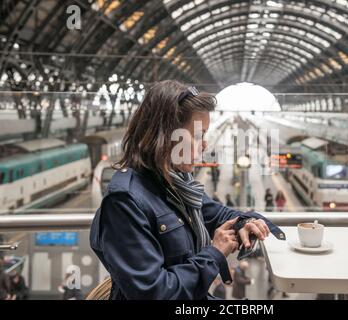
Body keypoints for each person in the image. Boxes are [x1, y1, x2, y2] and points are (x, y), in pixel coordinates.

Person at [89, 80, 284, 300]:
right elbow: (155, 293)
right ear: (165, 137)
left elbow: (218, 214)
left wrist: (245, 222)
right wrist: (215, 253)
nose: (205, 145)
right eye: (199, 136)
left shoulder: (177, 182)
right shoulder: (125, 202)